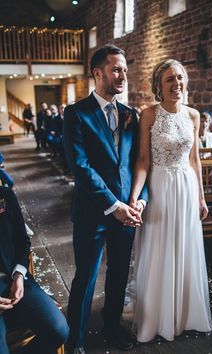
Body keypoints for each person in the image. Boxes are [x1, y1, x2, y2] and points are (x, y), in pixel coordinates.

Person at [63, 44, 148, 354]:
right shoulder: (75, 114)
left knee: (118, 274)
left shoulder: (130, 115)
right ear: (97, 73)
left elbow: (139, 161)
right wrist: (114, 206)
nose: (123, 75)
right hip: (93, 211)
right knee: (85, 276)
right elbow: (80, 167)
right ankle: (76, 340)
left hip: (128, 211)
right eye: (116, 69)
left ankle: (111, 326)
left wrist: (140, 201)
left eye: (125, 69)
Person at [130, 59, 212, 343]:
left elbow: (195, 160)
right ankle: (158, 318)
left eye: (179, 78)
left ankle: (186, 315)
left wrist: (201, 197)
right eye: (169, 79)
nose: (176, 84)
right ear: (158, 86)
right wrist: (134, 197)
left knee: (185, 248)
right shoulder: (149, 115)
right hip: (160, 187)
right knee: (160, 248)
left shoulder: (193, 115)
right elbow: (142, 161)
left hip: (187, 188)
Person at [0, 186, 69, 354]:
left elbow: (22, 241)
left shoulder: (5, 194)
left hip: (12, 280)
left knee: (59, 330)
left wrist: (18, 275)